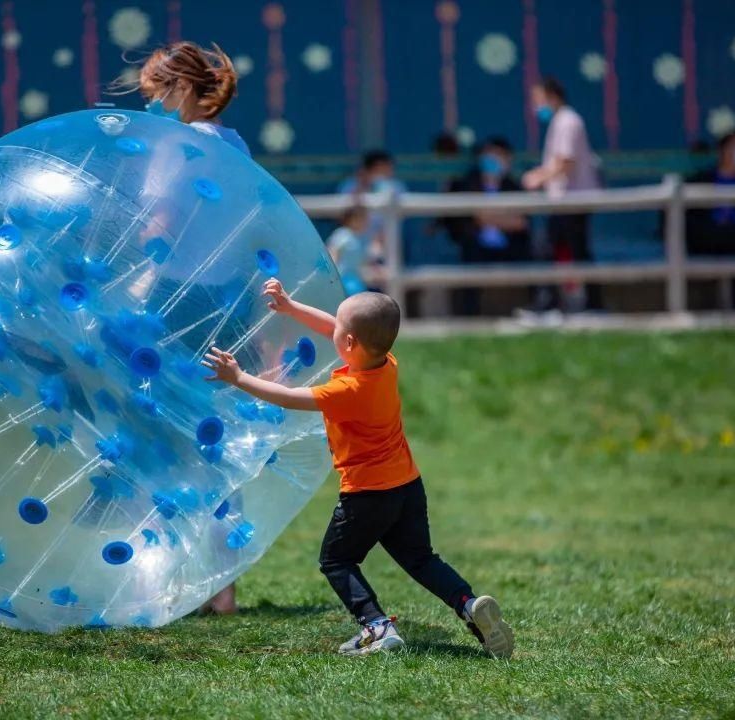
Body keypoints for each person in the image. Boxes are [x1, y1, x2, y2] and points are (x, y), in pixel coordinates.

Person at [202, 280, 514, 658]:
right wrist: (291, 306)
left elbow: (287, 397)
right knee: (420, 558)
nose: (330, 328)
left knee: (336, 560)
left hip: (366, 495)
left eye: (338, 330)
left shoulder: (346, 391)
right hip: (406, 486)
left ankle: (376, 626)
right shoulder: (386, 365)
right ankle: (468, 603)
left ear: (349, 344)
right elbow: (338, 327)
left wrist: (239, 378)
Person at [118, 40, 246, 614]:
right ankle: (223, 589)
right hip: (225, 300)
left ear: (186, 89)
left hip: (172, 302)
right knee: (215, 436)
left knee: (160, 437)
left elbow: (158, 225)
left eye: (158, 93)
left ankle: (158, 583)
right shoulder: (234, 143)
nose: (154, 106)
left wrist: (136, 267)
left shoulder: (174, 146)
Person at [522, 77, 602, 311]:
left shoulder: (568, 121)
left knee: (555, 250)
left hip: (573, 200)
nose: (536, 106)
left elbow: (565, 163)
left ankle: (554, 304)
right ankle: (565, 303)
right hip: (564, 201)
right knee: (566, 251)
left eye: (538, 100)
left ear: (552, 97)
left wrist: (536, 179)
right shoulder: (561, 121)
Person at [445, 136, 532, 314]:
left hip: (510, 246)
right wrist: (504, 217)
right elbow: (477, 217)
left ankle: (534, 309)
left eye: (499, 155)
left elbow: (521, 223)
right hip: (476, 246)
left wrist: (491, 217)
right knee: (469, 257)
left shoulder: (513, 185)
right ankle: (469, 316)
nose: (492, 160)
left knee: (536, 256)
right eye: (489, 154)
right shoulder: (467, 182)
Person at [685, 130, 735, 309]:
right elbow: (691, 219)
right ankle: (706, 306)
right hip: (709, 238)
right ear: (725, 151)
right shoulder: (701, 180)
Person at [326, 205, 377, 296]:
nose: (366, 222)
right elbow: (333, 254)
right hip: (342, 279)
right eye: (362, 218)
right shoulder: (342, 234)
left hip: (356, 279)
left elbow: (364, 261)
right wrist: (332, 276)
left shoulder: (362, 238)